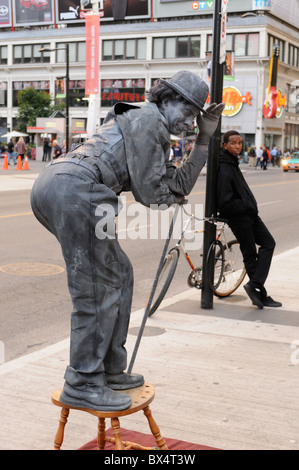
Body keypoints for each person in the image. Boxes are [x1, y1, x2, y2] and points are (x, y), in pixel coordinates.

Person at [31, 70, 224, 412]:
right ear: (168, 100)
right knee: (97, 289)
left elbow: (174, 186)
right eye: (189, 113)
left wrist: (204, 141)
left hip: (61, 186)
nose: (191, 123)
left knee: (120, 275)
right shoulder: (151, 122)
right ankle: (83, 381)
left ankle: (107, 368)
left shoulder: (142, 120)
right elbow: (156, 195)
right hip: (77, 189)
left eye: (196, 117)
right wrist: (170, 192)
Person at [217, 130, 282, 310]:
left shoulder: (232, 163)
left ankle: (255, 286)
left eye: (239, 143)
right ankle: (260, 293)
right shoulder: (224, 167)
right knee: (250, 254)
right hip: (240, 217)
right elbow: (224, 202)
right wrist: (246, 205)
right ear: (225, 145)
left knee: (268, 244)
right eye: (233, 143)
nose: (237, 146)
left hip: (249, 215)